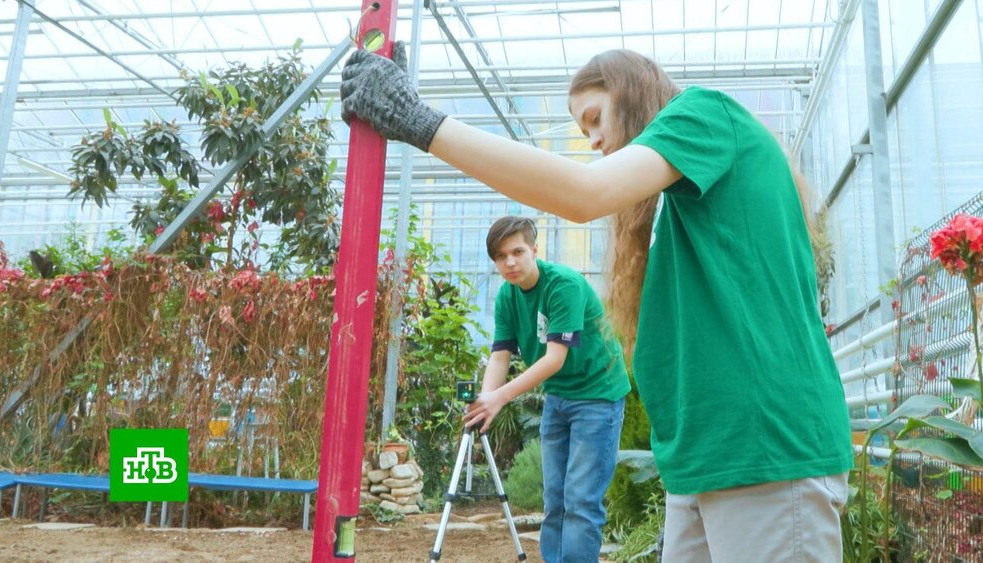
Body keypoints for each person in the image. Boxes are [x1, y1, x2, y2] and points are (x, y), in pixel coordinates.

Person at [341, 45, 853, 561]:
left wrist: (419, 121)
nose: (594, 141)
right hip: (708, 457)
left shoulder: (706, 113)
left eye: (595, 119)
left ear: (632, 93)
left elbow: (582, 193)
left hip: (764, 449)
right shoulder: (680, 203)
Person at [465, 215, 630, 563]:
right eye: (500, 256)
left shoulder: (563, 286)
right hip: (559, 397)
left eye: (517, 251)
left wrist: (501, 397)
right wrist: (484, 401)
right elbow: (500, 356)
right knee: (555, 498)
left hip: (597, 394)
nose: (509, 262)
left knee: (581, 500)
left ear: (535, 250)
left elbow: (555, 359)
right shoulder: (507, 297)